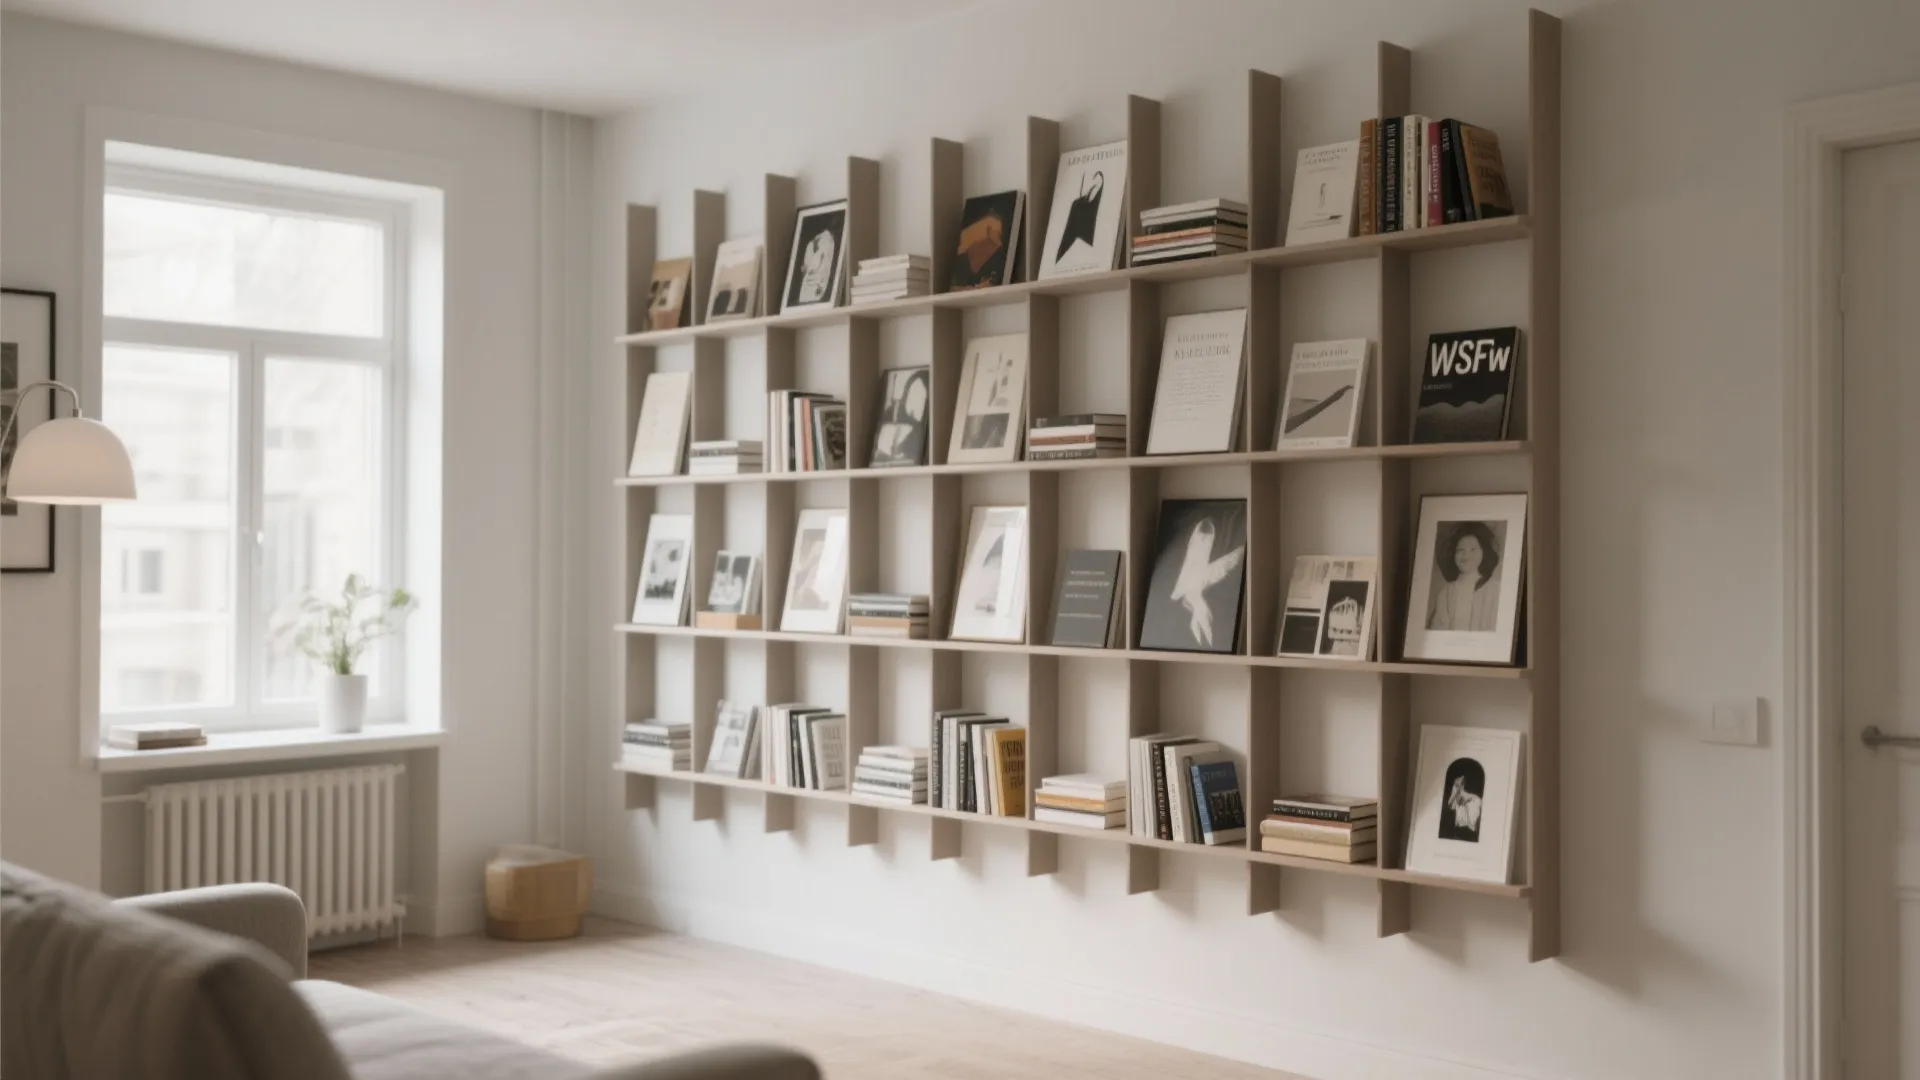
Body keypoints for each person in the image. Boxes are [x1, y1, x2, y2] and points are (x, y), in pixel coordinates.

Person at [1168, 517, 1244, 649]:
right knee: (1202, 613)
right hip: (1192, 583)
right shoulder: (1195, 551)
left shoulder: (1201, 550)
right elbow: (1191, 563)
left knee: (1202, 613)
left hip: (1194, 583)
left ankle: (1206, 637)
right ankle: (1206, 637)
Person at [1427, 521, 1501, 632]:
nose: (1466, 555)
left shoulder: (1495, 589)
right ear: (1452, 554)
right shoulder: (1445, 593)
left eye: (1473, 550)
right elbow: (1436, 630)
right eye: (1460, 550)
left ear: (1484, 552)